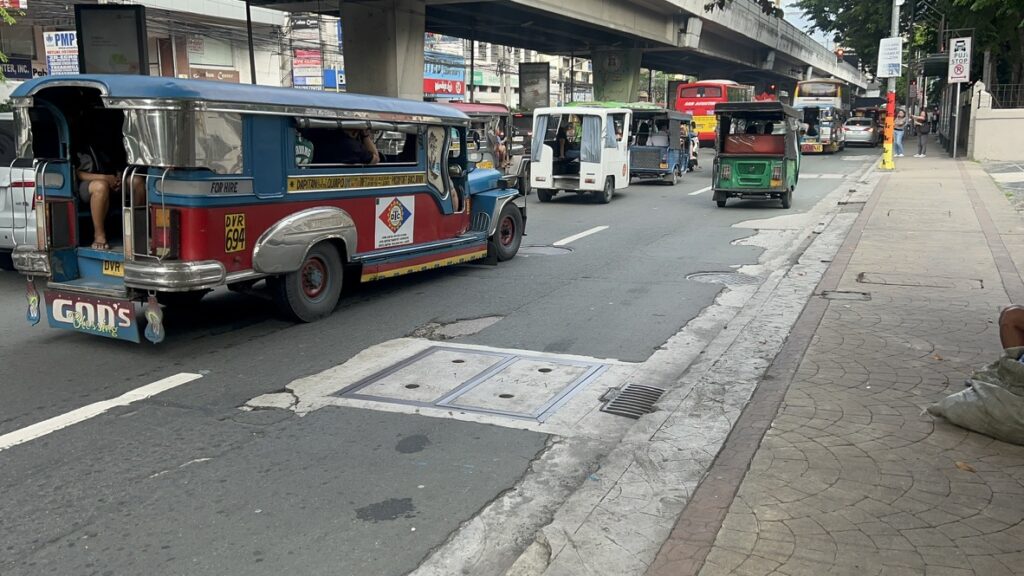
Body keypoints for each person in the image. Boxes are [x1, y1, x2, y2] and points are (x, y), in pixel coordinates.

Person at [75, 143, 145, 250]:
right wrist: (104, 178)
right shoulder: (76, 143)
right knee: (101, 186)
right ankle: (99, 236)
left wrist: (117, 179)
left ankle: (135, 234)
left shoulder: (106, 141)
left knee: (137, 181)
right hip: (86, 184)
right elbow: (77, 173)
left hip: (110, 180)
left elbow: (116, 165)